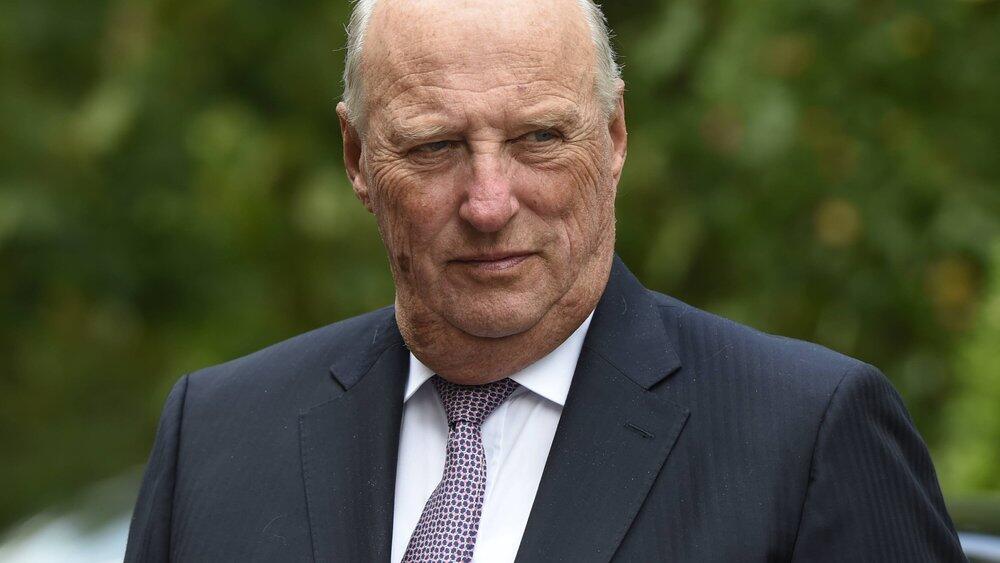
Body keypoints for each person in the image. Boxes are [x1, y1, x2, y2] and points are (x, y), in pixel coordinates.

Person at [125, 0, 966, 561]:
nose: (490, 203)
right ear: (356, 157)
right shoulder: (217, 437)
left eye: (538, 139)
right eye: (434, 147)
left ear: (615, 135)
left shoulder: (806, 439)